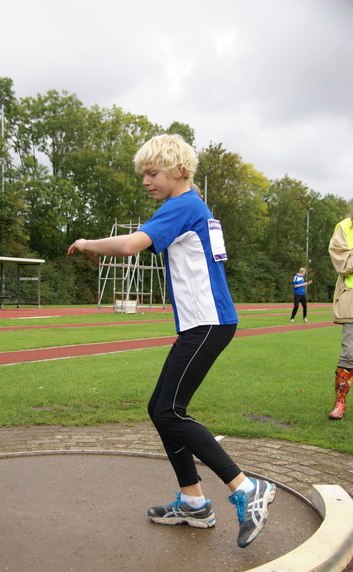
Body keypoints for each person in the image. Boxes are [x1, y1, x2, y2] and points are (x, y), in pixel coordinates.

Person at [68, 133, 276, 548]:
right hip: (205, 323)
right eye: (143, 174)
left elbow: (130, 245)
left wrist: (89, 244)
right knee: (159, 408)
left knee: (169, 411)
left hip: (208, 323)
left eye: (152, 172)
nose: (146, 181)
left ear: (179, 171)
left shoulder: (181, 206)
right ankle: (193, 502)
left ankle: (246, 489)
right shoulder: (194, 205)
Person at [328, 213, 353, 420]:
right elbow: (341, 263)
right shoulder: (345, 227)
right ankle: (340, 401)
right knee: (350, 352)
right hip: (352, 300)